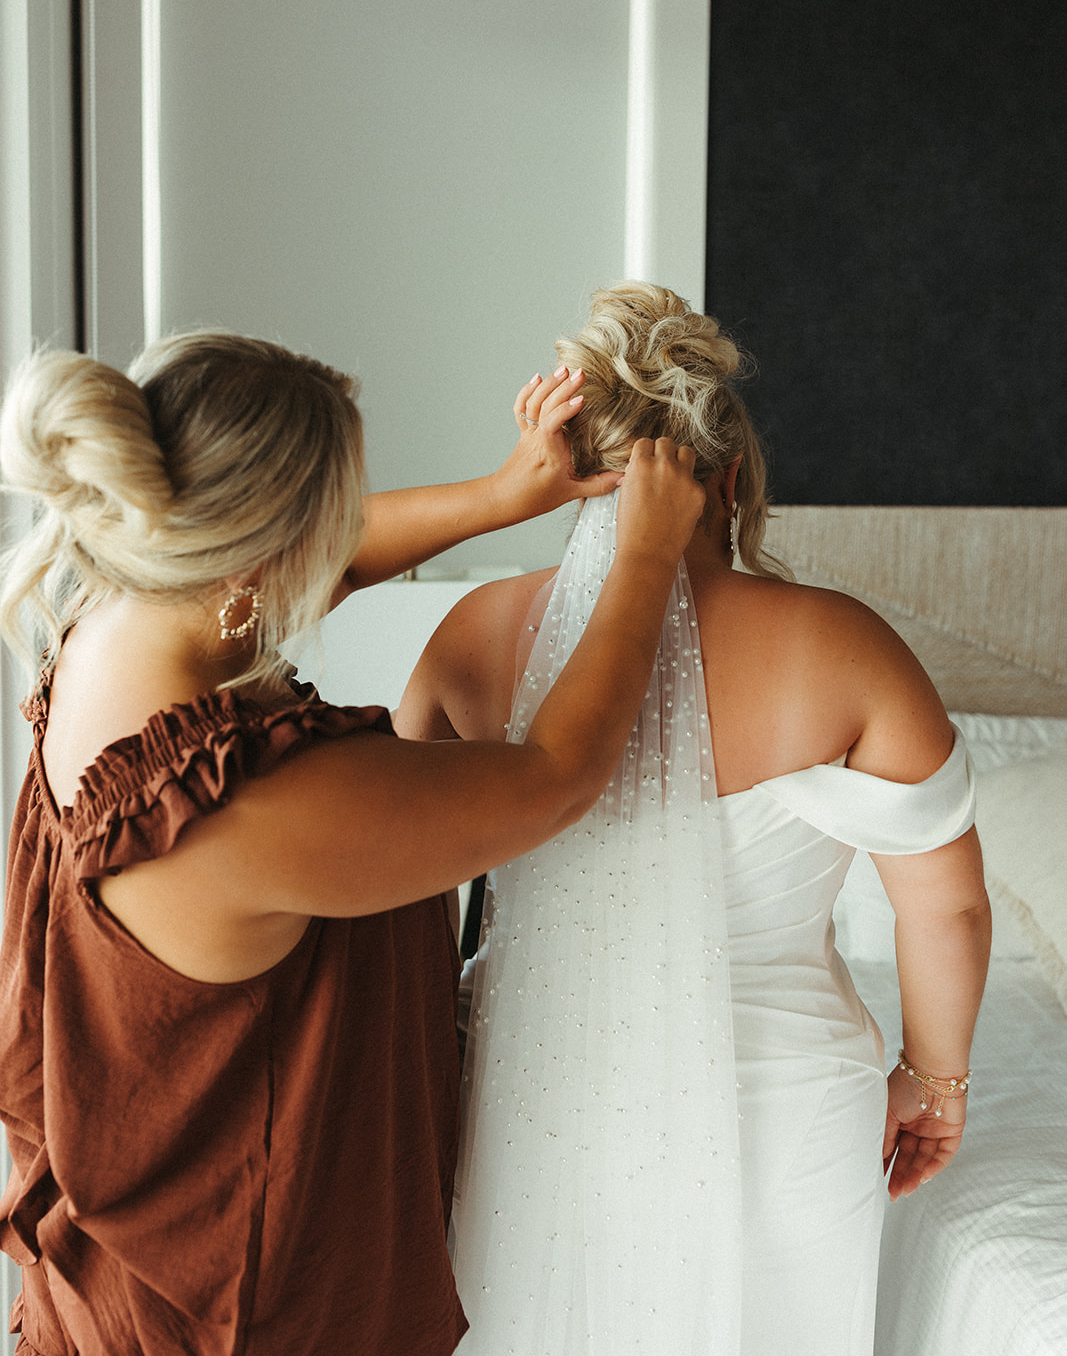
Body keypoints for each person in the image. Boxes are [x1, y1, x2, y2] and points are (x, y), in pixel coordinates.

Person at [0, 330, 705, 1356]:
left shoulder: (117, 620)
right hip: (241, 1316)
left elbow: (294, 571)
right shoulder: (258, 802)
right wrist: (644, 557)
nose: (345, 540)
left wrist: (511, 491)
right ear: (258, 558)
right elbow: (555, 775)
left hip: (123, 1263)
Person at [396, 283, 993, 1356]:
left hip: (530, 1102)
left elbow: (399, 907)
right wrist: (933, 1081)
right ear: (726, 478)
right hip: (783, 1101)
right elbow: (944, 908)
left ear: (573, 465)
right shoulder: (840, 643)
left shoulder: (469, 636)